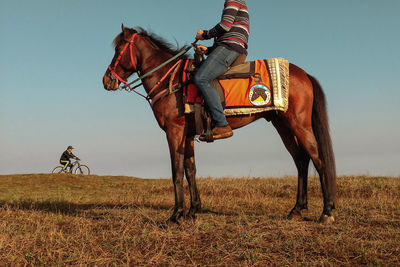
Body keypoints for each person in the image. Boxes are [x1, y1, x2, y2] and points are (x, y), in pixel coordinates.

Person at [194, 0, 249, 140]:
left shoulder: (232, 0)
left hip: (230, 47)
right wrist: (208, 50)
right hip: (230, 47)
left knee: (201, 78)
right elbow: (230, 32)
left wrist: (204, 35)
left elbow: (225, 26)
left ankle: (222, 124)